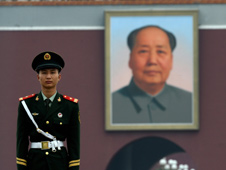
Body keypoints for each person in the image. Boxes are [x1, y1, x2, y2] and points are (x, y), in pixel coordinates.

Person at [113, 25, 192, 124]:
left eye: (160, 51)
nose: (152, 61)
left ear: (171, 61)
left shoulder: (191, 104)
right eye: (143, 51)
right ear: (130, 60)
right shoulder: (109, 106)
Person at [16, 52, 80, 170]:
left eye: (52, 72)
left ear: (59, 77)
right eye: (44, 73)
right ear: (38, 77)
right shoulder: (26, 104)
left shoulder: (70, 105)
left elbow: (74, 143)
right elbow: (22, 141)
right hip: (35, 163)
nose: (48, 76)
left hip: (59, 163)